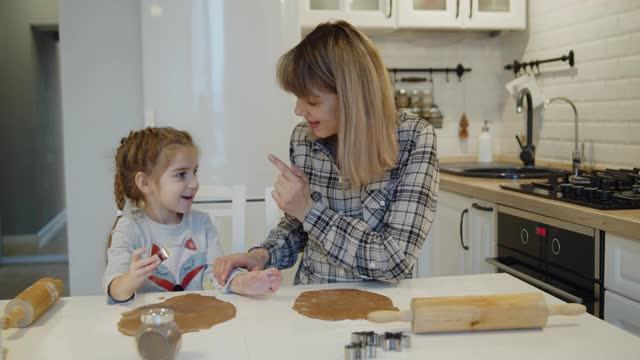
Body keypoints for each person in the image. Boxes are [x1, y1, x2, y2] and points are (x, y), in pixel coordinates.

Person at [213, 20, 439, 286]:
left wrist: (309, 211)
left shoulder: (414, 138)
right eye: (297, 97)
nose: (298, 110)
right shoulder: (304, 139)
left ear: (352, 97)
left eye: (312, 101)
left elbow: (392, 260)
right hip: (310, 297)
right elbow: (299, 227)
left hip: (380, 306)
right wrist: (263, 255)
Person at [103, 127, 282, 303]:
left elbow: (218, 273)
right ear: (145, 183)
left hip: (193, 320)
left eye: (194, 172)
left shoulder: (201, 223)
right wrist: (130, 280)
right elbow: (114, 289)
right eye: (181, 174)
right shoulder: (129, 228)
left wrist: (246, 283)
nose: (195, 183)